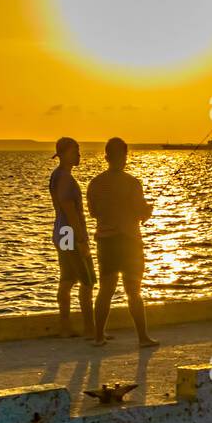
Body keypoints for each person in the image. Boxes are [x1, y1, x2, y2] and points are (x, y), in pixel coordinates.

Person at [86, 137, 158, 348]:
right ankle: (143, 338)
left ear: (106, 157)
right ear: (125, 156)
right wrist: (148, 211)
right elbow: (140, 212)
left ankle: (99, 337)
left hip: (106, 242)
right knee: (133, 291)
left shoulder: (95, 184)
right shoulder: (132, 183)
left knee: (105, 291)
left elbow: (93, 212)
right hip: (129, 242)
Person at [48, 136, 96, 338]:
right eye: (75, 151)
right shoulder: (65, 178)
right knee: (87, 280)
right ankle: (90, 329)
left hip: (61, 232)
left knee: (67, 279)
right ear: (65, 154)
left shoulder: (58, 175)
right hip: (68, 233)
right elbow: (70, 210)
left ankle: (65, 326)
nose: (79, 154)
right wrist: (82, 240)